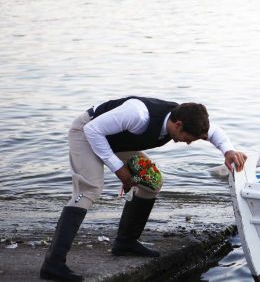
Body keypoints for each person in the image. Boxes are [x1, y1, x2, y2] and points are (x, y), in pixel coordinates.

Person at [40, 97, 247, 282]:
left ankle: (125, 243)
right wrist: (119, 169)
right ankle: (53, 264)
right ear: (178, 125)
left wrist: (228, 150)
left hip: (115, 142)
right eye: (188, 139)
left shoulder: (187, 118)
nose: (188, 144)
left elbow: (214, 133)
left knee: (152, 182)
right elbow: (93, 130)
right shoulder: (137, 114)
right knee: (89, 191)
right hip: (87, 133)